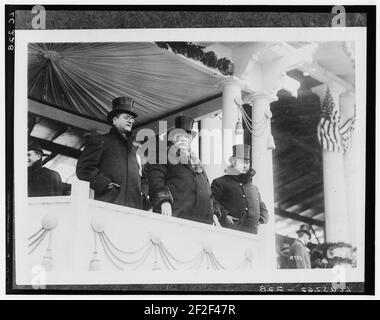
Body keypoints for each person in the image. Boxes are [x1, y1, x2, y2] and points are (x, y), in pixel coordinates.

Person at [76, 96, 145, 208]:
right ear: (115, 120)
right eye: (126, 117)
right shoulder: (100, 140)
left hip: (134, 209)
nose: (131, 121)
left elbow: (143, 177)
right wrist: (106, 185)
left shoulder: (134, 150)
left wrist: (142, 193)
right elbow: (84, 168)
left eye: (132, 118)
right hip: (109, 204)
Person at [147, 115, 214, 224]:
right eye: (179, 136)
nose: (183, 139)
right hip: (175, 215)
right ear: (173, 138)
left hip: (202, 221)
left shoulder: (197, 163)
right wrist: (164, 201)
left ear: (191, 140)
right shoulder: (162, 156)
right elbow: (156, 180)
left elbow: (208, 191)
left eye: (186, 136)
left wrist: (213, 213)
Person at [211, 144, 269, 234]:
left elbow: (261, 206)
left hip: (252, 234)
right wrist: (224, 215)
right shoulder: (220, 182)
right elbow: (212, 202)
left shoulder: (254, 188)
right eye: (242, 162)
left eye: (247, 162)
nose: (245, 165)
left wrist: (260, 220)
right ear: (234, 162)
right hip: (229, 233)